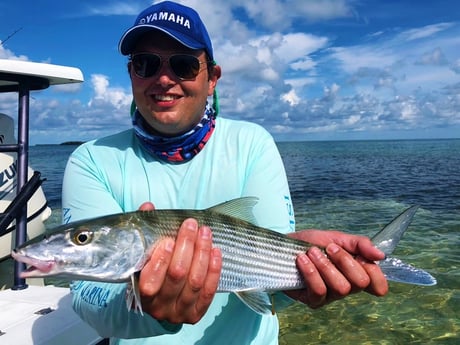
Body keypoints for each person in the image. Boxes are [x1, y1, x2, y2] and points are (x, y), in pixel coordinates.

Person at [63, 1, 388, 344]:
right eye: (145, 64)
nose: (163, 79)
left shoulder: (252, 143)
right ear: (131, 74)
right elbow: (86, 297)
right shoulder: (91, 160)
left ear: (212, 78)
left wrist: (304, 279)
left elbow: (269, 287)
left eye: (184, 65)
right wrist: (143, 307)